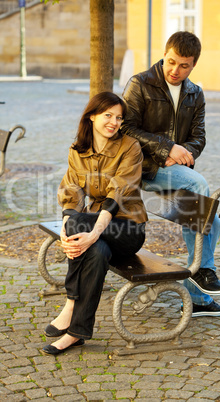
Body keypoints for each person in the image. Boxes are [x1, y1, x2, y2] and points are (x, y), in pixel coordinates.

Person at [121, 31, 220, 318]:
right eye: (171, 62)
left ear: (193, 64)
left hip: (173, 171)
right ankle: (204, 270)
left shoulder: (195, 93)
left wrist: (184, 153)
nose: (175, 70)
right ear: (164, 53)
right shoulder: (140, 84)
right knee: (198, 184)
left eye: (184, 65)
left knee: (214, 221)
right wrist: (166, 149)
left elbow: (199, 138)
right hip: (142, 169)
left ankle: (196, 298)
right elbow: (126, 129)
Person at [41, 92, 148, 355]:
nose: (114, 122)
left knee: (84, 230)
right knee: (96, 252)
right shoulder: (78, 151)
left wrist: (90, 231)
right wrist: (69, 228)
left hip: (128, 229)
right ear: (92, 116)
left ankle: (69, 305)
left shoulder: (129, 147)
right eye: (108, 115)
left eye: (119, 117)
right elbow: (71, 191)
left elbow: (118, 194)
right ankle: (77, 334)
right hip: (94, 227)